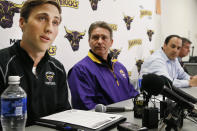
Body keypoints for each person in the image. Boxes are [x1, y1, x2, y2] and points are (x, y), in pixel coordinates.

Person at [0, 0, 71, 126]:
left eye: (55, 22)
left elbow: (64, 117)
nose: (49, 28)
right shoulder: (2, 63)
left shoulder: (58, 68)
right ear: (22, 22)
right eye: (42, 18)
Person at [68, 21, 139, 110]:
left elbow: (132, 94)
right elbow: (86, 108)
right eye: (95, 37)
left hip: (130, 121)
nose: (100, 41)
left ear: (111, 42)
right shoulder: (80, 70)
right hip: (107, 123)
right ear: (89, 41)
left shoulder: (120, 67)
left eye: (104, 38)